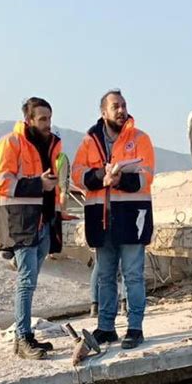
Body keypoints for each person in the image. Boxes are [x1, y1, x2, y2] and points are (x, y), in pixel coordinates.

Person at [72, 89, 155, 349]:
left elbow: (146, 176)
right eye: (115, 106)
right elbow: (77, 174)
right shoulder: (89, 141)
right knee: (106, 275)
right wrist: (100, 177)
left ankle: (135, 327)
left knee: (132, 275)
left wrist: (120, 180)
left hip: (132, 217)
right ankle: (106, 328)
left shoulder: (140, 138)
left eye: (123, 105)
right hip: (101, 219)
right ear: (103, 112)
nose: (121, 110)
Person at [0, 97, 62, 360]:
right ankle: (22, 338)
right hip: (20, 222)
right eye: (42, 119)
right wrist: (38, 184)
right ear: (28, 120)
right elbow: (2, 183)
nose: (47, 124)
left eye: (49, 118)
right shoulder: (11, 143)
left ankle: (26, 337)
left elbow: (52, 185)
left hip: (43, 221)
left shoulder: (50, 145)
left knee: (30, 282)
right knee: (26, 281)